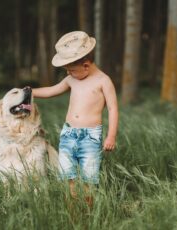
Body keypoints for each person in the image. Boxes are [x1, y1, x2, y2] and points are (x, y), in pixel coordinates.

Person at [32, 31, 118, 208]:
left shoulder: (103, 81)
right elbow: (51, 90)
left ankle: (87, 212)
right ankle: (71, 212)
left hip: (90, 137)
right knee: (67, 175)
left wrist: (111, 136)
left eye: (71, 70)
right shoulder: (72, 79)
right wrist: (30, 91)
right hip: (69, 134)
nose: (68, 73)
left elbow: (112, 108)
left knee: (88, 178)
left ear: (86, 65)